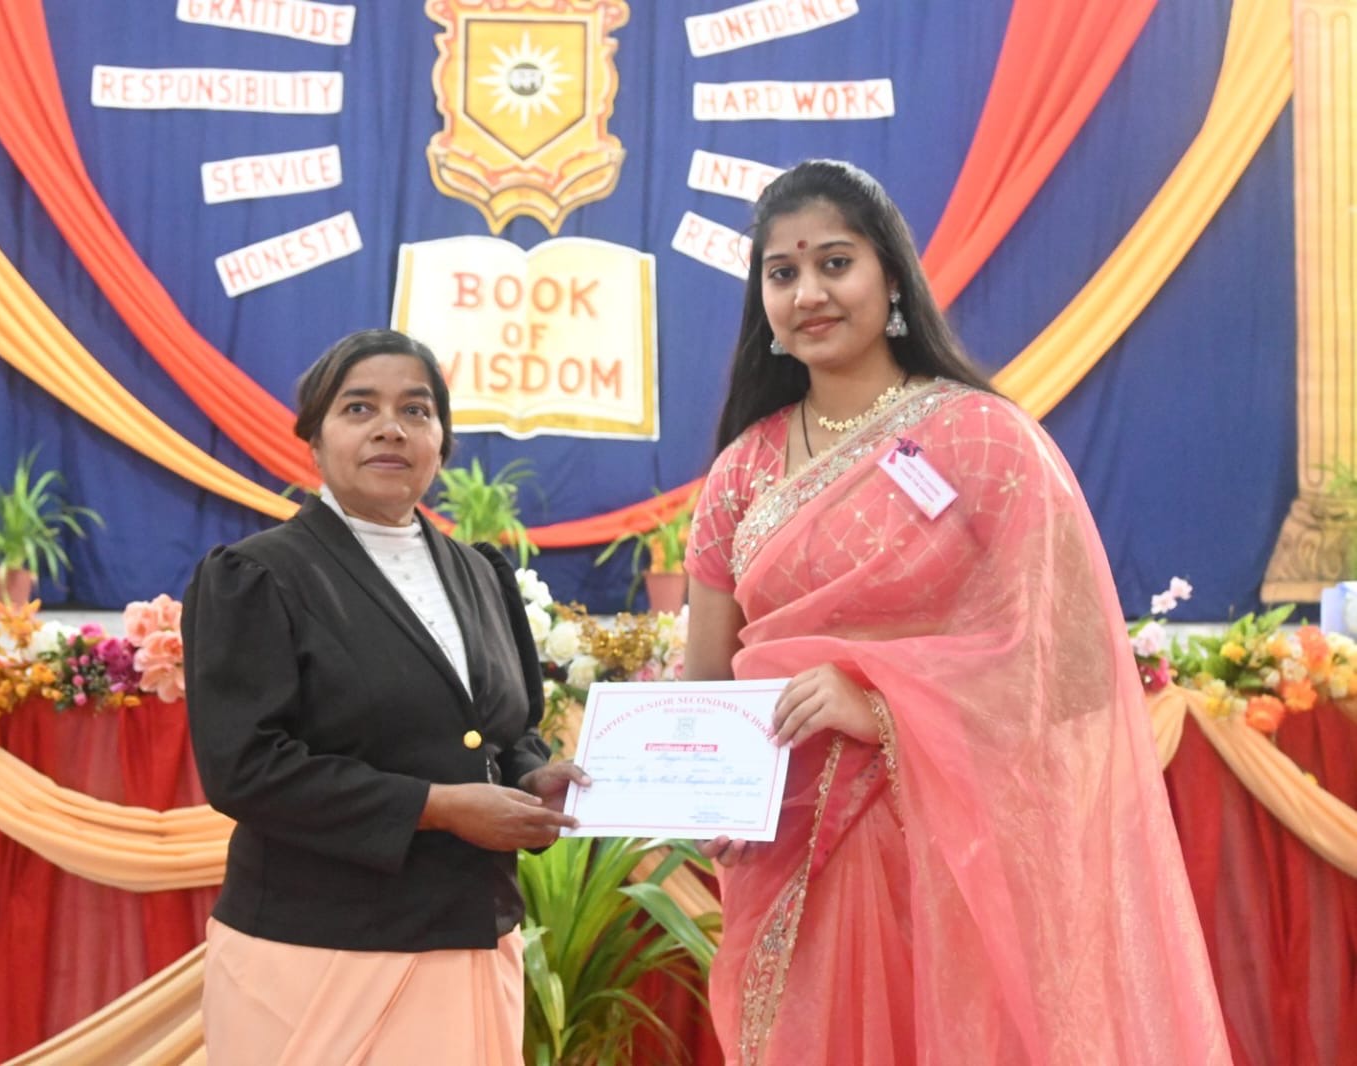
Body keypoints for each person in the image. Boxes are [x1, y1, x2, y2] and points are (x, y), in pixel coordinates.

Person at [684, 160, 1230, 1064]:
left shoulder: (980, 439)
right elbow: (703, 687)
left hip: (948, 864)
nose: (808, 293)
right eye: (781, 273)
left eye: (834, 263)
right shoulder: (740, 472)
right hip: (788, 860)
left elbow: (1075, 670)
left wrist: (884, 706)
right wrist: (690, 787)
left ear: (891, 278)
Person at [182, 328, 587, 1064]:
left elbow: (508, 729)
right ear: (313, 438)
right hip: (316, 950)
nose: (390, 428)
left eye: (416, 410)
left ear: (441, 442)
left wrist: (532, 777)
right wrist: (439, 807)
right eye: (359, 408)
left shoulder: (481, 574)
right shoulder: (257, 575)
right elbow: (245, 768)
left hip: (470, 935)